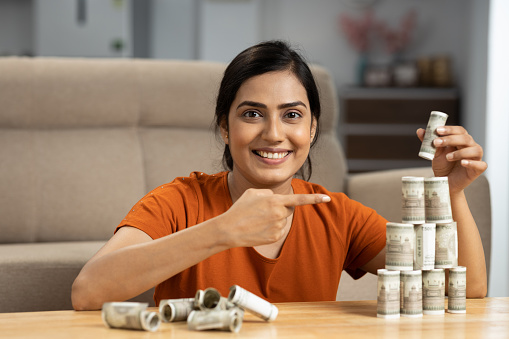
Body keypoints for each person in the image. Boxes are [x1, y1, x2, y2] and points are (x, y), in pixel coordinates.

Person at [71, 40, 487, 311]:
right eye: (252, 114)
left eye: (292, 115)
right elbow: (88, 291)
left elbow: (465, 292)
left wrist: (452, 193)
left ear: (311, 129)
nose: (273, 134)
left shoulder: (336, 215)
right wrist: (222, 231)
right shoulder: (179, 201)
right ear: (224, 127)